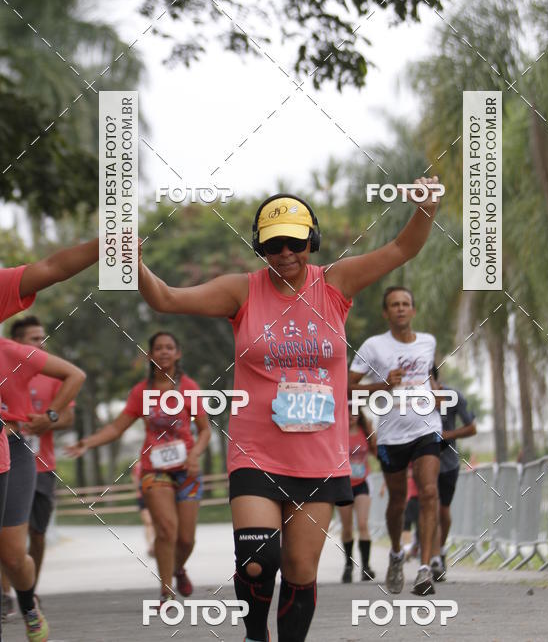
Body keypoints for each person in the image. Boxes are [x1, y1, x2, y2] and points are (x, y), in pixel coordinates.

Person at [137, 181, 440, 642]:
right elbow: (166, 298)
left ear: (310, 242)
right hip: (256, 451)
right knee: (260, 560)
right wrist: (131, 261)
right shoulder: (242, 292)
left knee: (300, 569)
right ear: (261, 246)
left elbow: (402, 247)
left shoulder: (335, 284)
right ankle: (255, 635)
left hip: (319, 457)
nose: (285, 253)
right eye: (274, 243)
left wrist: (426, 209)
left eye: (295, 242)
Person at [67, 331, 211, 603]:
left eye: (170, 347)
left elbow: (205, 431)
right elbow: (116, 427)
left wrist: (195, 456)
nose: (164, 352)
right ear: (150, 355)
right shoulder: (141, 392)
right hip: (153, 469)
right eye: (158, 348)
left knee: (186, 540)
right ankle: (166, 592)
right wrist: (88, 442)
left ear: (178, 354)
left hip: (187, 470)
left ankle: (178, 568)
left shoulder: (189, 388)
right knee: (166, 529)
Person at [0, 241, 97, 641]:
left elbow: (54, 266)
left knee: (12, 555)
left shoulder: (12, 353)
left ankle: (27, 602)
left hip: (10, 451)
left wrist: (109, 243)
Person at [349, 286, 442, 597]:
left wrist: (436, 393)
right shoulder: (374, 346)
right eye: (394, 305)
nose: (401, 309)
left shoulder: (428, 342)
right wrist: (383, 384)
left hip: (427, 428)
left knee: (429, 491)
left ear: (413, 310)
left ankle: (425, 568)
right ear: (386, 313)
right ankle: (396, 556)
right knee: (398, 502)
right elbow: (349, 388)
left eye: (406, 303)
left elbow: (430, 375)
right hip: (391, 436)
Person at [10, 317, 76, 592]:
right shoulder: (7, 372)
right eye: (34, 339)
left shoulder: (52, 374)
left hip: (42, 467)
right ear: (17, 344)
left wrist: (44, 420)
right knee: (8, 538)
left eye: (42, 338)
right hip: (8, 464)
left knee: (37, 535)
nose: (41, 343)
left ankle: (30, 592)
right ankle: (5, 595)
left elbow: (68, 417)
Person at [429, 364, 476, 581]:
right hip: (424, 464)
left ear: (434, 379)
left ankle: (440, 549)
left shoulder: (453, 397)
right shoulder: (413, 401)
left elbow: (472, 428)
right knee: (430, 507)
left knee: (443, 511)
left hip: (448, 464)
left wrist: (448, 434)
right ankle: (434, 557)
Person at [338, 404, 376, 583]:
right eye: (348, 410)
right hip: (344, 484)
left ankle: (366, 567)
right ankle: (348, 565)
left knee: (362, 524)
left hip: (362, 484)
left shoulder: (365, 430)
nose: (352, 415)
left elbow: (376, 452)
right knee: (347, 528)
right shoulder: (337, 431)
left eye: (355, 411)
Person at [133, 460, 156, 558]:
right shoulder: (138, 466)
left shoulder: (155, 463)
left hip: (156, 495)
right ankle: (150, 546)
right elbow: (135, 481)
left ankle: (155, 545)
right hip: (143, 496)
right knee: (148, 523)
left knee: (154, 522)